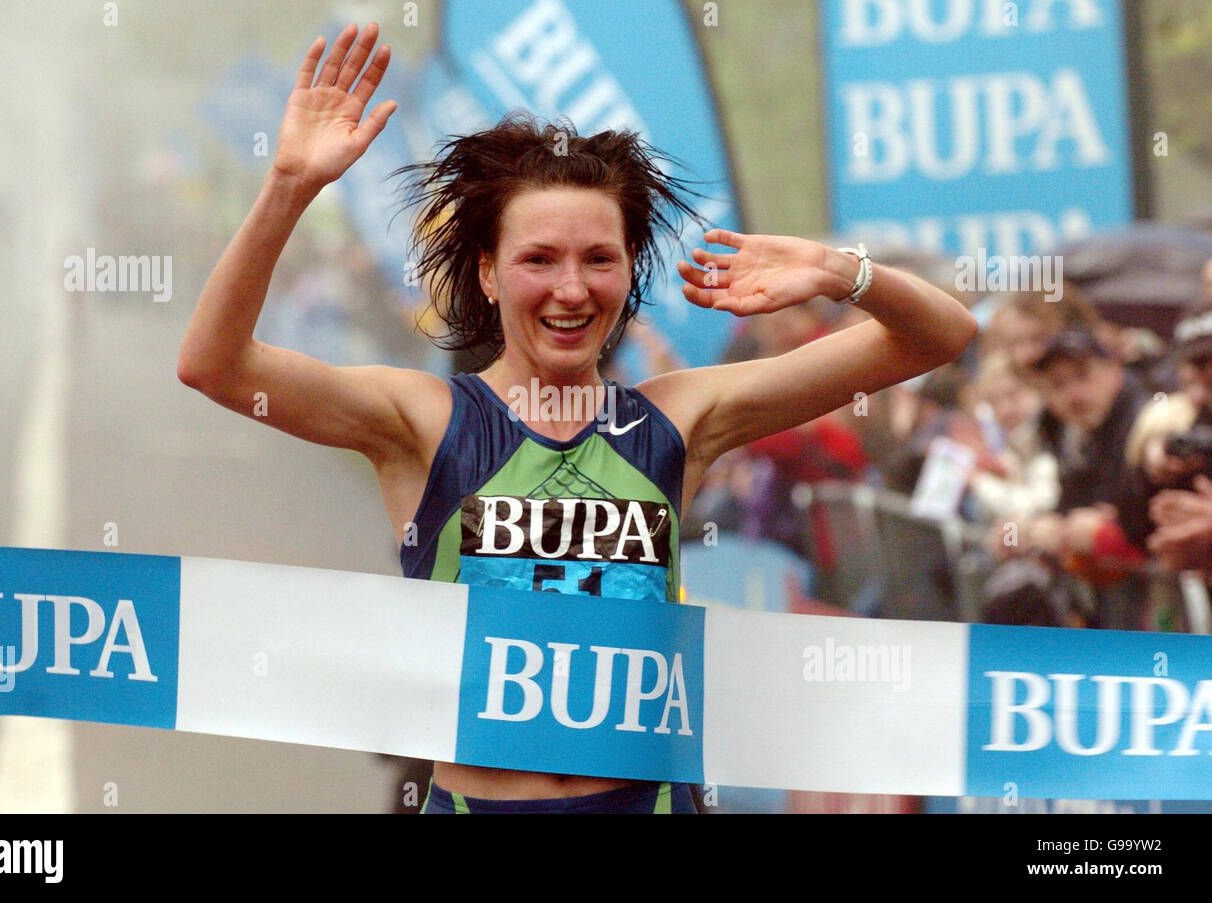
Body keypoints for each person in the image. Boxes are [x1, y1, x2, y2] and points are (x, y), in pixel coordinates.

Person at [176, 22, 978, 814]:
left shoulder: (682, 416)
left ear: (631, 276)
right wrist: (288, 185)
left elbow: (941, 335)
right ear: (487, 274)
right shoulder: (421, 419)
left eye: (600, 259)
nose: (571, 288)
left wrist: (843, 271)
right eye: (539, 259)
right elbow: (215, 364)